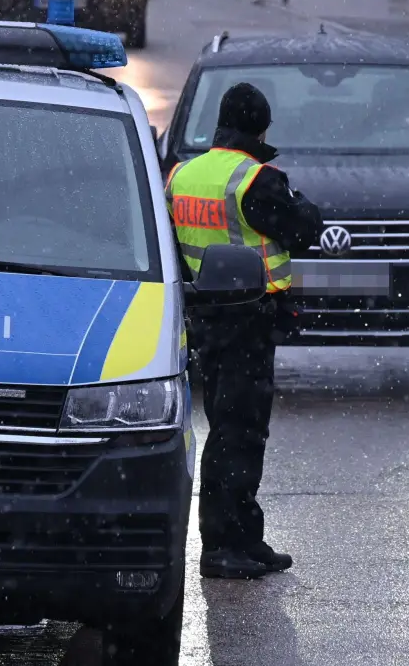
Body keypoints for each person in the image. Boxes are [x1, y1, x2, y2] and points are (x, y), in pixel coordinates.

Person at [167, 83, 323, 579]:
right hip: (247, 321)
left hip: (207, 320)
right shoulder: (254, 179)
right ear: (260, 128)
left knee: (235, 430)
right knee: (237, 434)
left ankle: (245, 537)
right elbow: (307, 228)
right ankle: (221, 545)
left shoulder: (183, 175)